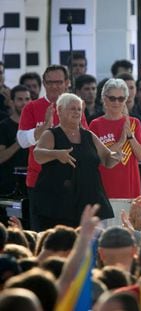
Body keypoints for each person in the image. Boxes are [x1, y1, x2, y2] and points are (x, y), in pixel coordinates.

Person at [32, 93, 120, 230]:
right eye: (72, 108)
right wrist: (56, 154)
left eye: (79, 109)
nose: (77, 112)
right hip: (59, 207)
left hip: (89, 203)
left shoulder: (88, 135)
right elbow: (37, 154)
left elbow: (107, 160)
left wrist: (117, 156)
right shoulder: (51, 134)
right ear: (60, 110)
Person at [17, 65, 89, 230]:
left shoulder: (76, 107)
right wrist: (43, 130)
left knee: (70, 235)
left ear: (67, 83)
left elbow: (85, 140)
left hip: (70, 183)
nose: (54, 86)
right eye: (50, 82)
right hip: (39, 181)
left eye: (59, 82)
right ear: (44, 83)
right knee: (42, 234)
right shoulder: (31, 107)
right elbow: (21, 141)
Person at [89, 78, 141, 199]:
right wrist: (121, 141)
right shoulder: (95, 124)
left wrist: (130, 136)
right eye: (112, 98)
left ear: (125, 100)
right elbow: (98, 157)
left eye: (121, 99)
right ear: (104, 98)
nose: (116, 102)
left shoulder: (134, 122)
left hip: (130, 188)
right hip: (104, 188)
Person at [0, 85, 30, 195]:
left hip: (30, 186)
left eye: (27, 99)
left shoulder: (36, 127)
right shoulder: (4, 126)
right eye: (20, 99)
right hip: (8, 186)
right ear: (12, 102)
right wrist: (19, 143)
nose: (24, 103)